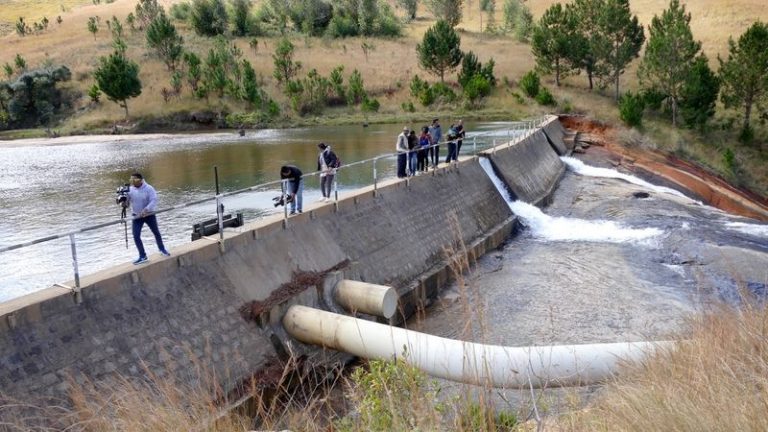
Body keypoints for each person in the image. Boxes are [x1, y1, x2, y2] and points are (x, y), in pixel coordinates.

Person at [127, 172, 170, 265]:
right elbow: (127, 202)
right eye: (131, 180)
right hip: (137, 216)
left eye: (134, 179)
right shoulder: (130, 189)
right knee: (136, 236)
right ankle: (142, 256)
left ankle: (162, 249)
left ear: (140, 180)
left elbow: (154, 200)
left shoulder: (149, 188)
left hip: (149, 215)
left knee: (156, 232)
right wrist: (123, 203)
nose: (132, 181)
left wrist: (146, 209)